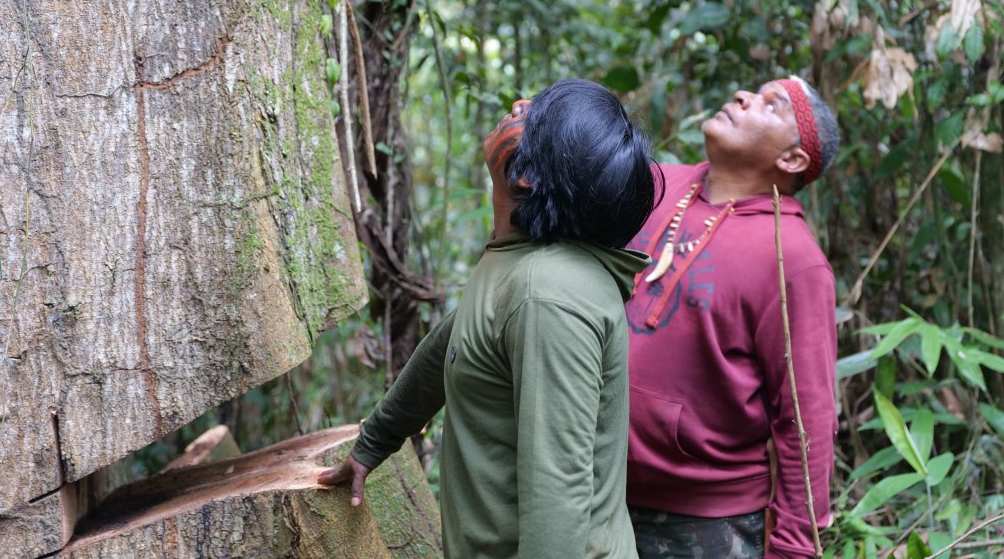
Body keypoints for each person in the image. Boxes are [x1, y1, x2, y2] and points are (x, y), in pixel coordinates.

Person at [319, 78, 658, 558]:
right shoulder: (521, 263)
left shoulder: (547, 295)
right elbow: (455, 343)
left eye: (531, 114)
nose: (518, 104)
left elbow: (557, 498)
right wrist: (373, 442)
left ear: (525, 175)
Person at [625, 75, 840, 559]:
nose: (742, 95)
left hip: (703, 519)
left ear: (791, 159)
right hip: (592, 487)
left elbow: (806, 420)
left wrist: (792, 548)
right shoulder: (655, 183)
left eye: (770, 105)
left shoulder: (796, 262)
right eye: (750, 91)